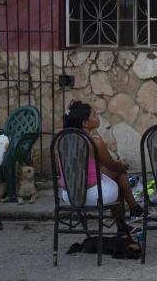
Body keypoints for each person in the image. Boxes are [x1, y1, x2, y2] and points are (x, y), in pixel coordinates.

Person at [61, 100, 145, 236]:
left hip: (69, 195)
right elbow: (111, 165)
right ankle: (132, 210)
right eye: (94, 115)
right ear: (85, 123)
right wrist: (122, 165)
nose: (98, 117)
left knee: (116, 174)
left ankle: (132, 212)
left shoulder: (63, 139)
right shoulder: (95, 142)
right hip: (92, 195)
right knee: (120, 173)